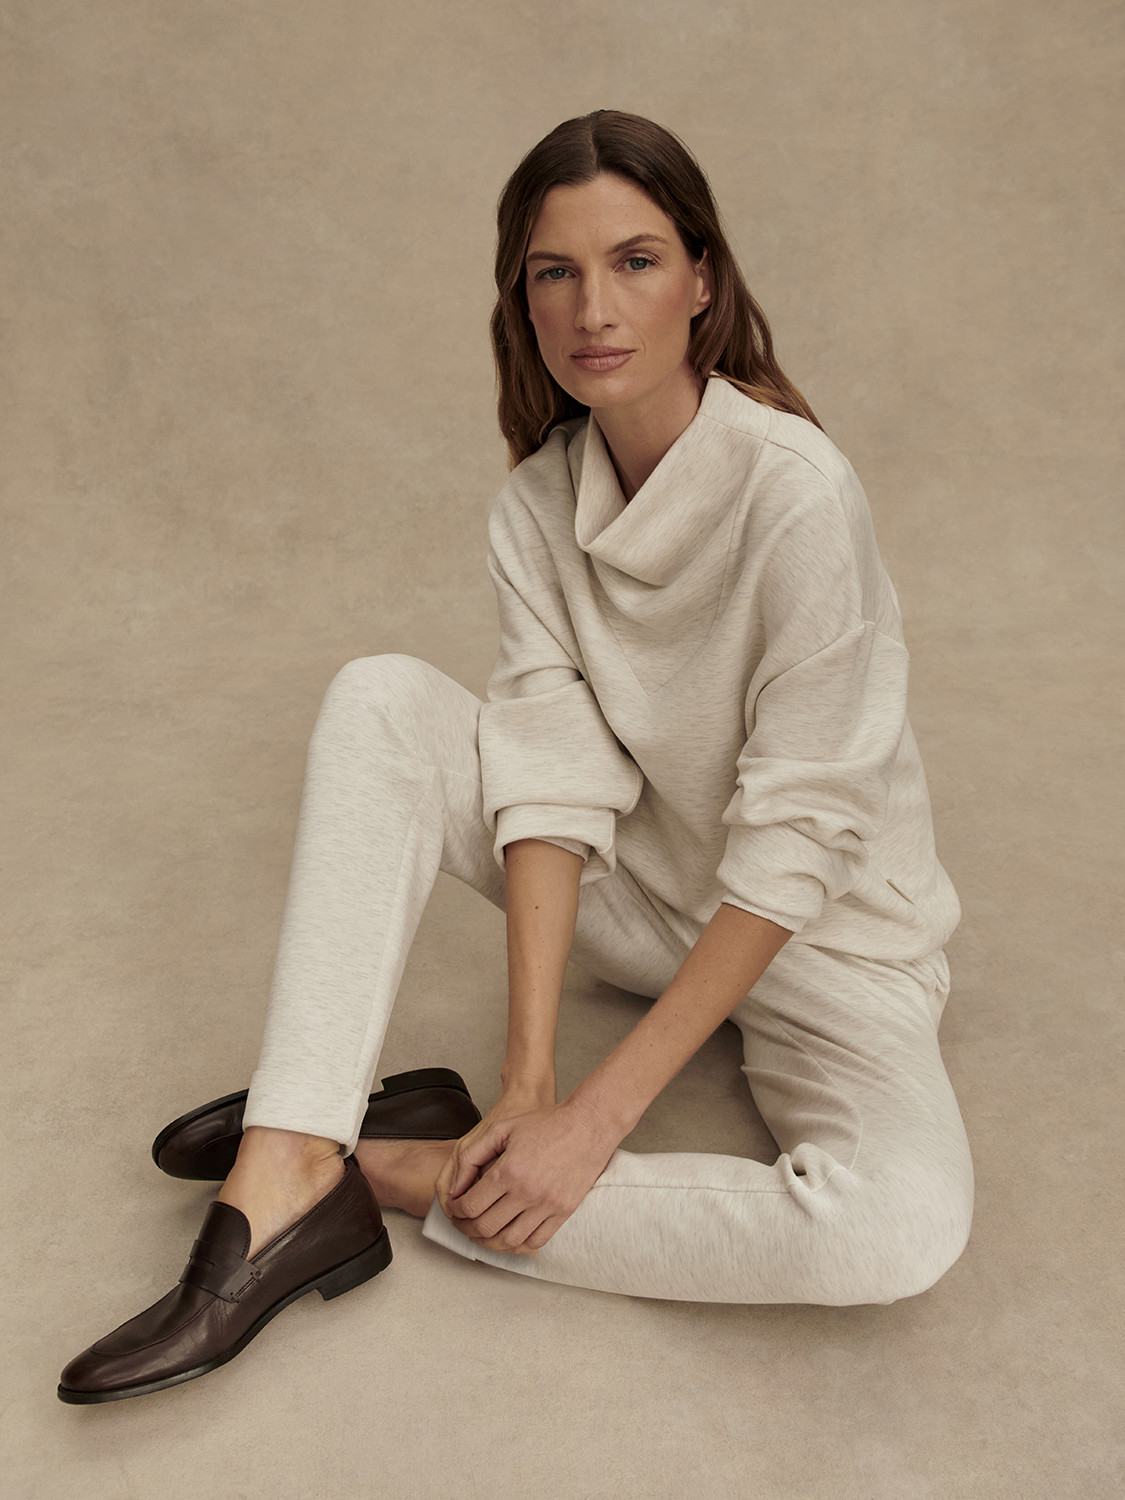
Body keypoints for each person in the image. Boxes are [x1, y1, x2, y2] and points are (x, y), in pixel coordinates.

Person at [58, 109, 974, 1405]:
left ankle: (384, 1167)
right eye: (556, 271)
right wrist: (529, 1081)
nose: (593, 308)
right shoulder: (539, 501)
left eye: (635, 261)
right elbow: (549, 782)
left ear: (702, 280)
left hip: (831, 951)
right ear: (520, 298)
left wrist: (590, 1125)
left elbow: (796, 845)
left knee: (897, 1228)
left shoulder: (798, 497)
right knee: (383, 700)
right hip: (646, 906)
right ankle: (284, 1163)